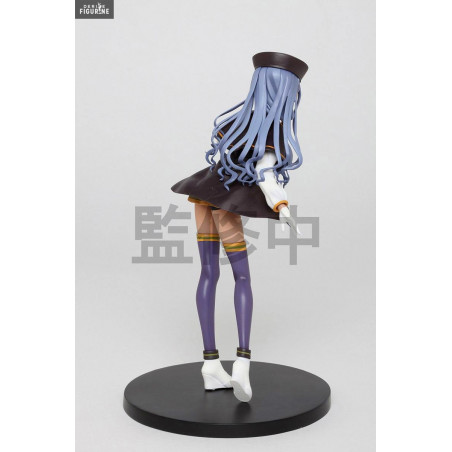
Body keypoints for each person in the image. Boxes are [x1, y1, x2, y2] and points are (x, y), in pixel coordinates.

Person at [171, 52, 308, 402]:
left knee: (207, 273)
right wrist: (282, 206)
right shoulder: (272, 133)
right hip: (225, 207)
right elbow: (265, 176)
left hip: (202, 196)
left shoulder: (234, 123)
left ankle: (210, 365)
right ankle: (242, 364)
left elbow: (223, 159)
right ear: (287, 91)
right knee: (242, 277)